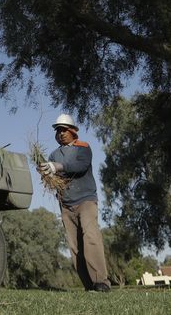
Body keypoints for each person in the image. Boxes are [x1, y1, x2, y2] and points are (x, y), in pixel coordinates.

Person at [38, 113, 111, 293]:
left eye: (64, 130)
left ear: (72, 131)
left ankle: (101, 282)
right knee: (74, 245)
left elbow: (80, 167)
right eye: (58, 131)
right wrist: (46, 172)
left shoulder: (83, 148)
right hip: (66, 203)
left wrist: (58, 167)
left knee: (90, 237)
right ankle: (88, 285)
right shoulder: (54, 154)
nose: (61, 133)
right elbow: (51, 175)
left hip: (86, 200)